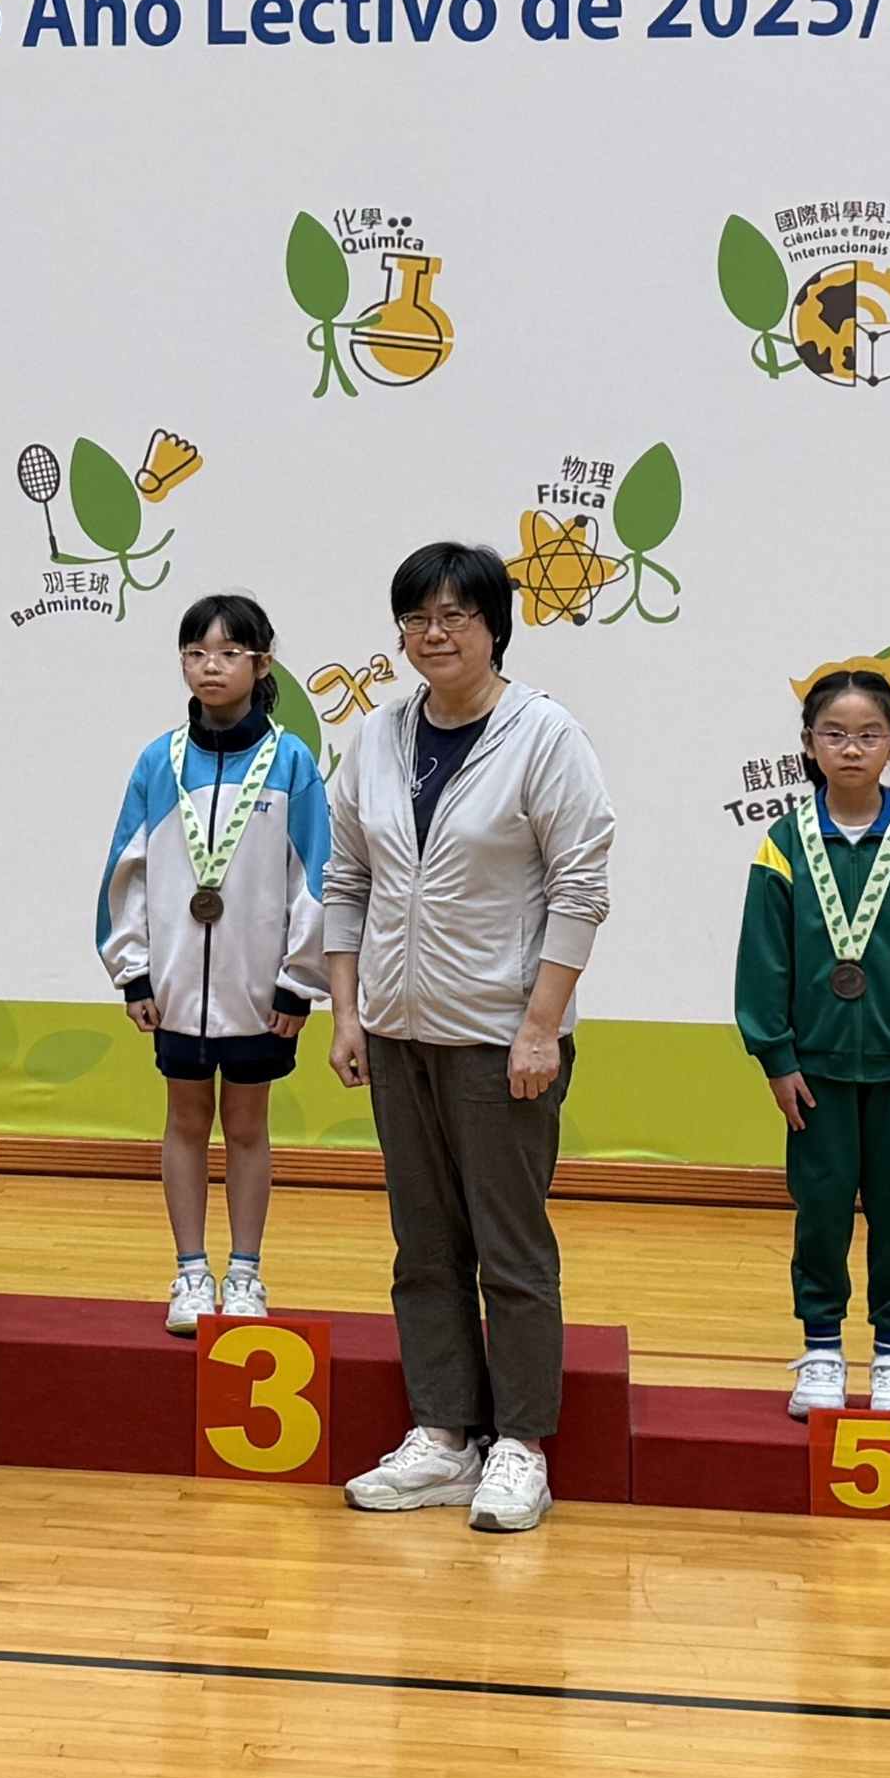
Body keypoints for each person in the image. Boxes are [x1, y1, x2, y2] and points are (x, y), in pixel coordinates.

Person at [321, 540, 614, 1535]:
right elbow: (346, 880)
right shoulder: (375, 736)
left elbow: (580, 888)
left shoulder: (544, 736)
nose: (433, 632)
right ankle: (442, 1435)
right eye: (416, 617)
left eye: (455, 614)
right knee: (422, 1246)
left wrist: (540, 1026)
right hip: (397, 1034)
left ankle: (520, 1445)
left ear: (496, 627)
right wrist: (346, 1009)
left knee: (509, 1248)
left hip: (501, 1040)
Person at [735, 667, 890, 1425]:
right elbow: (763, 959)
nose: (851, 748)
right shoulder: (784, 844)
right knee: (822, 1210)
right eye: (834, 734)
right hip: (818, 1071)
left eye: (868, 735)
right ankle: (822, 1349)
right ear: (808, 745)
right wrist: (777, 1057)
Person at [98, 593, 330, 1337]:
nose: (211, 666)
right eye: (196, 653)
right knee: (185, 1119)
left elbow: (316, 877)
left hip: (259, 991)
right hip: (175, 990)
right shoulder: (157, 762)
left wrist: (299, 980)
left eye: (229, 653)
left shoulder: (291, 763)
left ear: (262, 664)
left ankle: (247, 1272)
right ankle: (192, 1271)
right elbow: (126, 871)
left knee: (249, 1125)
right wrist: (133, 971)